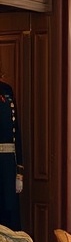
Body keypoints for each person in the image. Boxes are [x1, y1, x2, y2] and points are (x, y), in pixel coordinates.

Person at [0, 79, 23, 230]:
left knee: (9, 217)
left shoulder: (6, 90)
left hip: (8, 165)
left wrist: (19, 173)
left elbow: (17, 135)